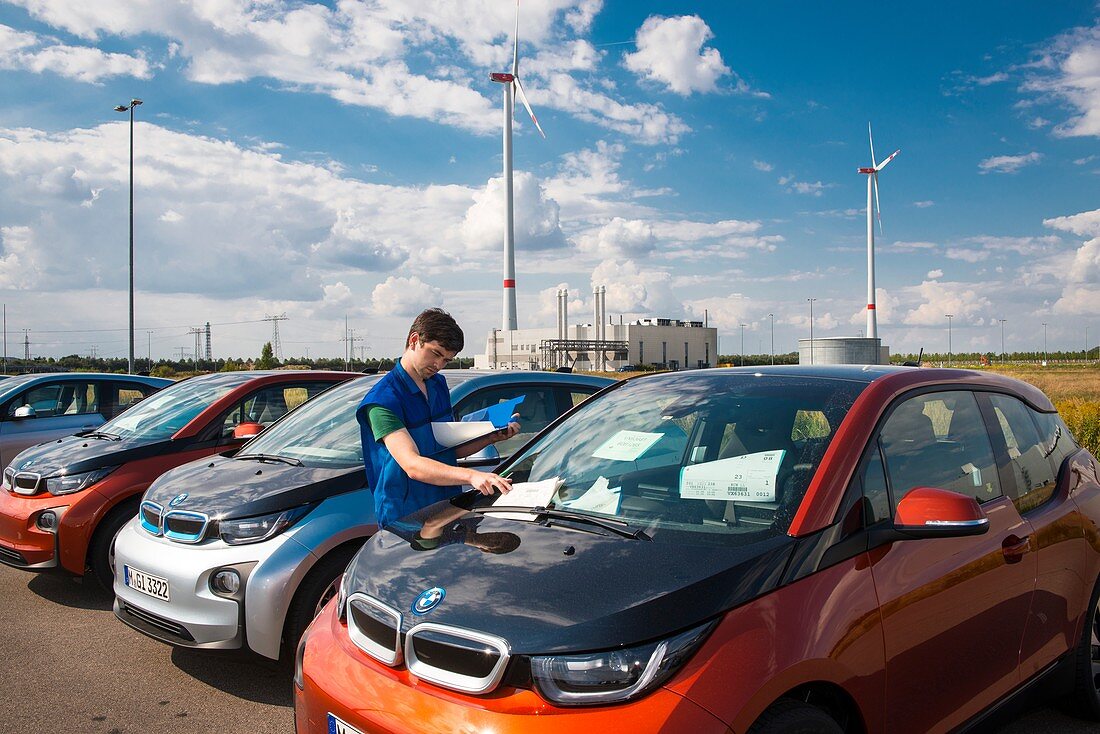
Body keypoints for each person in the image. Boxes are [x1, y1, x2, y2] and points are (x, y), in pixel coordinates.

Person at [356, 308, 518, 528]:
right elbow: (412, 465)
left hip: (446, 506)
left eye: (446, 360)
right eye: (435, 353)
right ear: (414, 340)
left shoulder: (438, 386)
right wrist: (472, 476)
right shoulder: (382, 401)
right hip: (406, 516)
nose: (438, 365)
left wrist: (490, 437)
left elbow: (445, 450)